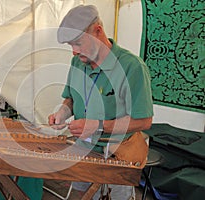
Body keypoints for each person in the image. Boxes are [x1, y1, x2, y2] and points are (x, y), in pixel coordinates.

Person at [48, 5, 153, 200]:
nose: (74, 51)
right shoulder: (78, 62)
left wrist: (97, 126)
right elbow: (71, 97)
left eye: (78, 43)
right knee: (83, 195)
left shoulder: (132, 67)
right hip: (82, 152)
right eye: (71, 45)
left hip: (117, 157)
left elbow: (144, 121)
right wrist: (62, 111)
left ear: (98, 31)